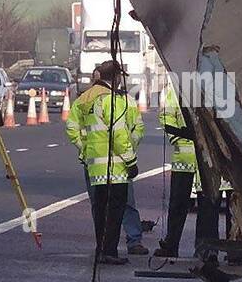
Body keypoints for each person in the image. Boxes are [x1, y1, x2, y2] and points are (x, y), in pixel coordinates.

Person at [67, 60, 141, 264]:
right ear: (116, 77)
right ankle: (110, 251)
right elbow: (119, 135)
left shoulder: (84, 99)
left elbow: (72, 128)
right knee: (116, 210)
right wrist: (130, 160)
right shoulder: (111, 101)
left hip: (95, 166)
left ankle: (101, 249)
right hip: (116, 167)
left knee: (99, 209)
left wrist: (86, 150)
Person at [155, 81, 220, 258]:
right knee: (179, 203)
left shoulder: (211, 90)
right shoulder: (177, 90)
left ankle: (206, 249)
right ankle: (173, 245)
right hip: (188, 158)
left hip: (205, 158)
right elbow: (167, 117)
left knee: (208, 205)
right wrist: (180, 138)